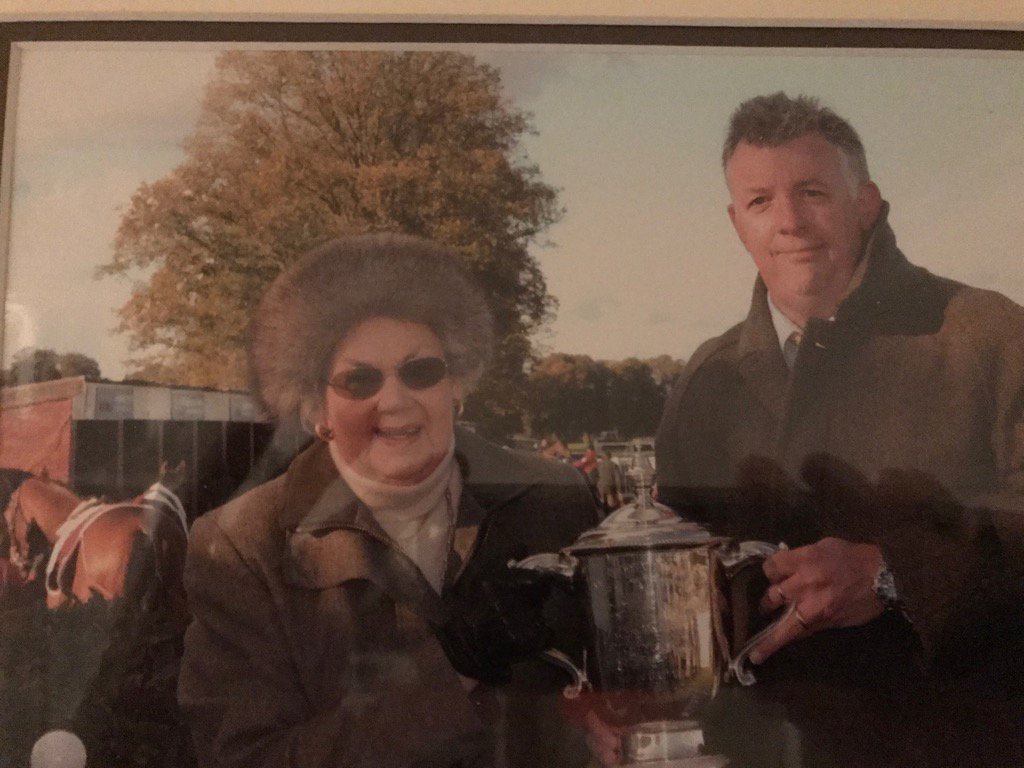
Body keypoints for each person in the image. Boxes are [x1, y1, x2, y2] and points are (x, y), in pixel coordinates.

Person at [591, 93, 1024, 767]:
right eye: (760, 201)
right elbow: (672, 577)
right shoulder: (707, 376)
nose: (789, 221)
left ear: (866, 202)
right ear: (737, 223)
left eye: (813, 192)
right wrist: (630, 686)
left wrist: (892, 572)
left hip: (957, 743)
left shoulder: (989, 335)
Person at [178, 233, 600, 768]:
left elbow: (621, 690)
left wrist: (606, 730)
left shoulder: (553, 500)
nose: (395, 401)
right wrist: (449, 675)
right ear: (315, 408)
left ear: (456, 385)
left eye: (421, 372)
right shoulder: (243, 545)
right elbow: (247, 760)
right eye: (359, 381)